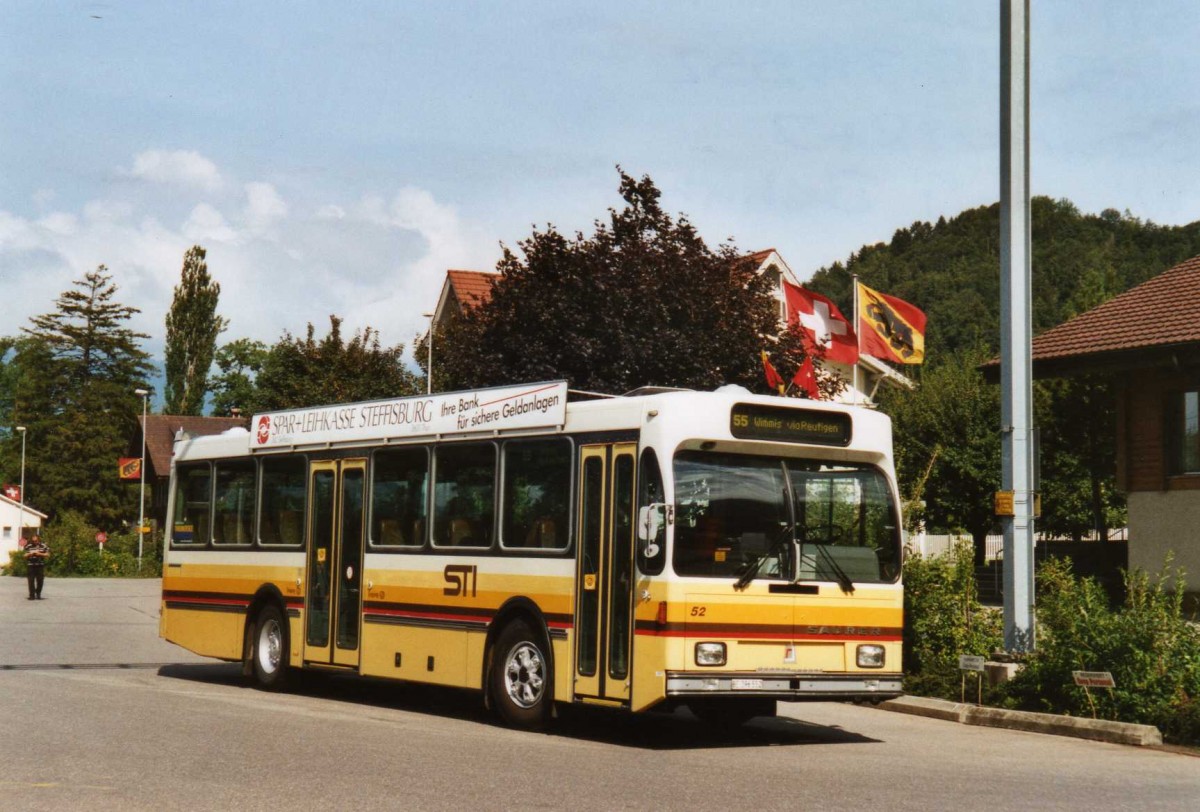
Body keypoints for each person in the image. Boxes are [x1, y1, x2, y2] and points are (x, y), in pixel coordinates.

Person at [24, 534, 49, 600]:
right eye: (33, 541)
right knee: (31, 581)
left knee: (40, 580)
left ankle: (38, 593)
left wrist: (39, 554)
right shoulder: (29, 546)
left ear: (38, 539)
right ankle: (32, 595)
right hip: (31, 565)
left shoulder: (43, 545)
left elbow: (47, 554)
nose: (35, 542)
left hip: (40, 565)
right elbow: (24, 555)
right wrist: (30, 554)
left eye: (36, 541)